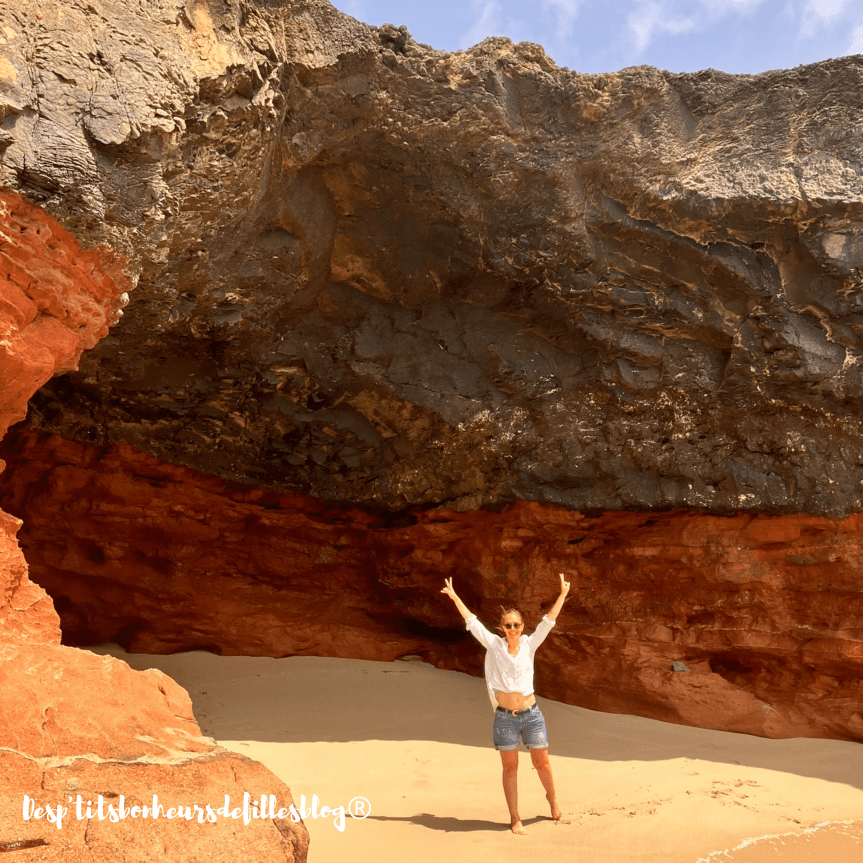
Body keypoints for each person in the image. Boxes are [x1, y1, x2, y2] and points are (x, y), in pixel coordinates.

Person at [441, 573, 571, 835]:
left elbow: (548, 622)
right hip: (505, 718)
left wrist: (562, 595)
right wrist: (455, 597)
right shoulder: (494, 645)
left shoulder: (529, 644)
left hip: (531, 714)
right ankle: (515, 816)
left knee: (542, 763)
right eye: (507, 626)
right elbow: (472, 622)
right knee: (510, 768)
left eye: (516, 625)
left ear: (522, 627)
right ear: (502, 628)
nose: (512, 629)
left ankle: (552, 798)